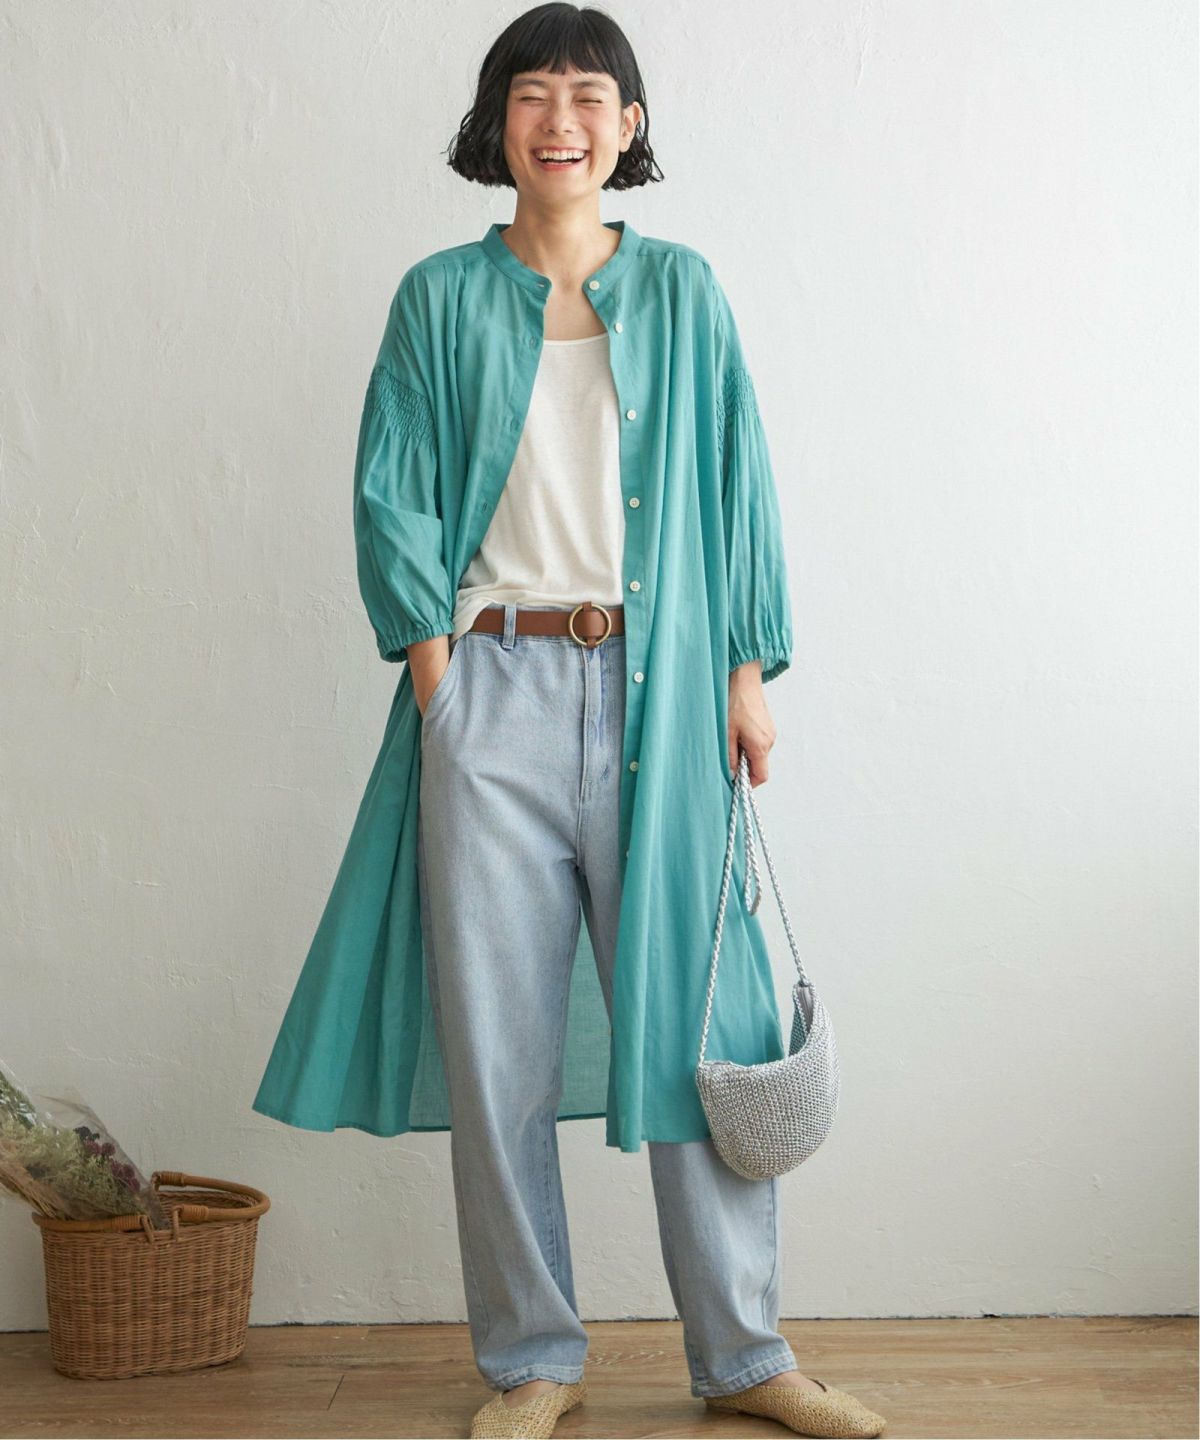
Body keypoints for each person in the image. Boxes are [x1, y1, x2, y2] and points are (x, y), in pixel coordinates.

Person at [254, 5, 887, 1437]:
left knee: (705, 1021)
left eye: (589, 96)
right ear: (499, 122)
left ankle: (746, 1357)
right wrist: (438, 674)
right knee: (498, 1047)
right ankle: (534, 1359)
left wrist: (746, 673)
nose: (561, 120)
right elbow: (392, 489)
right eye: (533, 94)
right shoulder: (437, 297)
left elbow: (735, 482)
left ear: (629, 126)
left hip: (667, 693)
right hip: (494, 689)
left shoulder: (687, 291)